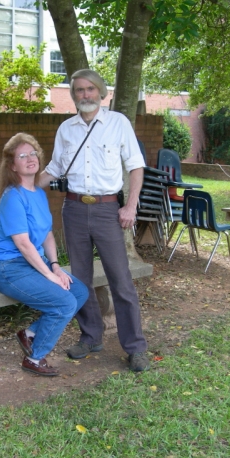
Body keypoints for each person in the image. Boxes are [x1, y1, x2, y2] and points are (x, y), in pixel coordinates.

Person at [39, 69, 150, 372]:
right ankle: (91, 336)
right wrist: (25, 184)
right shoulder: (66, 129)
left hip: (107, 210)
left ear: (101, 93)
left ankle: (135, 347)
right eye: (79, 90)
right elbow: (54, 168)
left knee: (121, 280)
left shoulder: (118, 124)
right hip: (73, 209)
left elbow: (136, 167)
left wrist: (130, 206)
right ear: (73, 94)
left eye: (90, 89)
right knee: (81, 280)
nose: (85, 95)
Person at [0, 132, 89, 377]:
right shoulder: (13, 197)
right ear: (13, 165)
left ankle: (30, 333)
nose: (30, 158)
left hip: (33, 263)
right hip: (8, 267)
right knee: (64, 303)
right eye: (22, 156)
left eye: (33, 153)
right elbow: (23, 244)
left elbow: (47, 235)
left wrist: (55, 266)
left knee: (78, 291)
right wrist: (50, 275)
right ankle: (35, 357)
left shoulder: (39, 193)